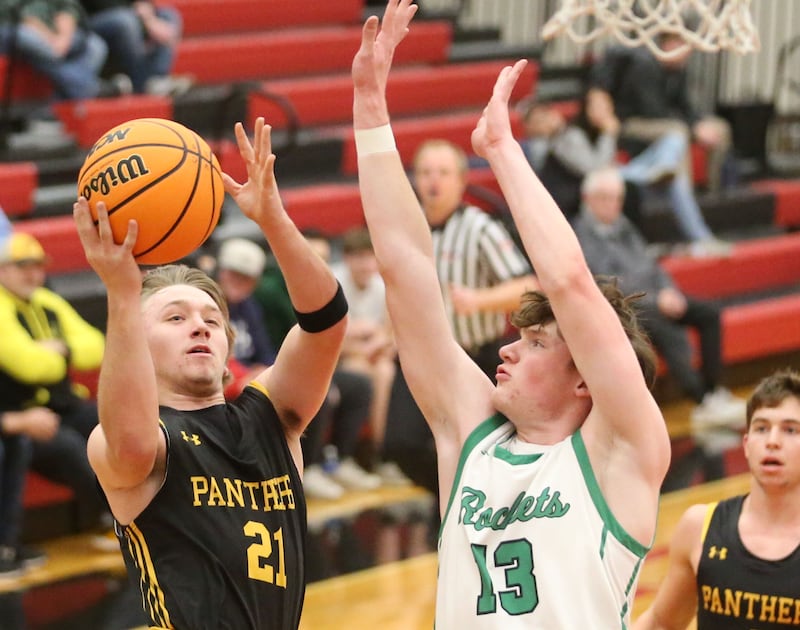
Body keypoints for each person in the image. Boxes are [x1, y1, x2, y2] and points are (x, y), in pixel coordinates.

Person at [352, 2, 671, 627]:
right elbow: (407, 269)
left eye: (535, 342)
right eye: (517, 337)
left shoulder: (620, 451)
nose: (507, 349)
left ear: (585, 378)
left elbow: (571, 284)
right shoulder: (471, 435)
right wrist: (370, 107)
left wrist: (501, 149)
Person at [72, 117, 348, 628]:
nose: (198, 327)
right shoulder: (139, 443)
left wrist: (273, 220)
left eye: (211, 320)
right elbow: (130, 445)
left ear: (228, 347)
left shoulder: (271, 416)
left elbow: (326, 323)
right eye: (175, 318)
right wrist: (122, 294)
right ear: (138, 338)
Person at [572, 166, 746, 438]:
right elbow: (606, 282)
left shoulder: (624, 227)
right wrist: (656, 299)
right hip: (622, 306)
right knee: (659, 321)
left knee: (709, 313)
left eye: (617, 198)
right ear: (588, 198)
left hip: (656, 296)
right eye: (606, 198)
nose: (613, 205)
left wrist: (668, 290)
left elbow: (652, 266)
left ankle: (713, 391)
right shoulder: (581, 235)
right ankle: (700, 399)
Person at [634, 367, 800, 629]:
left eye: (790, 430)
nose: (773, 441)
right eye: (761, 428)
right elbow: (661, 623)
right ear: (746, 444)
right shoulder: (700, 526)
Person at [525, 90, 730, 256]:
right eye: (540, 119)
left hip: (616, 175)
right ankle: (660, 177)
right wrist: (609, 134)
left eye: (548, 114)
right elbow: (596, 170)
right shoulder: (559, 140)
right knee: (663, 178)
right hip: (594, 186)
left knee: (675, 143)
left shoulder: (577, 133)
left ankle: (699, 235)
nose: (548, 120)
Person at [0, 231, 109, 536]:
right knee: (70, 448)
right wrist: (63, 353)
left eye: (37, 266)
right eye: (23, 266)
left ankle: (144, 513)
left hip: (63, 405)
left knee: (113, 421)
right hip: (24, 412)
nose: (33, 274)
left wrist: (62, 349)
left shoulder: (46, 300)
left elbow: (97, 346)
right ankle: (110, 519)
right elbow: (30, 367)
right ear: (3, 269)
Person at [589, 35, 734, 194]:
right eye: (682, 45)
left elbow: (685, 106)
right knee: (678, 131)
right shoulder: (644, 66)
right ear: (668, 45)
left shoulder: (678, 70)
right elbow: (653, 111)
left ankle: (713, 191)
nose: (687, 52)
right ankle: (685, 192)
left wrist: (698, 124)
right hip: (633, 123)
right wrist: (692, 129)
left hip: (664, 120)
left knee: (721, 127)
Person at [331, 227, 409, 485]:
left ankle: (379, 452)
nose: (365, 264)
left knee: (386, 371)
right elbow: (327, 339)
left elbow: (393, 334)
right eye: (359, 257)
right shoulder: (333, 283)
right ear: (347, 259)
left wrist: (376, 343)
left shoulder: (381, 286)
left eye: (369, 257)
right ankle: (348, 455)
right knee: (361, 372)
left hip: (370, 355)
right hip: (337, 359)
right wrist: (360, 343)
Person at [0, 0, 129, 106]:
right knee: (24, 36)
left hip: (53, 37)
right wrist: (48, 39)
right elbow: (17, 15)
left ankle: (69, 96)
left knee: (94, 45)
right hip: (16, 30)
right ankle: (92, 90)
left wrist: (63, 38)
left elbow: (68, 8)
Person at [80, 0, 192, 95]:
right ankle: (142, 83)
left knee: (168, 15)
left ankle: (157, 78)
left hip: (133, 14)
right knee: (126, 21)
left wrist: (147, 12)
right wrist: (146, 21)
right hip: (92, 20)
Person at [213, 237, 276, 398]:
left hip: (250, 382)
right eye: (234, 274)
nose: (239, 282)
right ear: (220, 272)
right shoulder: (206, 304)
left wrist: (261, 372)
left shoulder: (249, 307)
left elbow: (266, 355)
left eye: (246, 278)